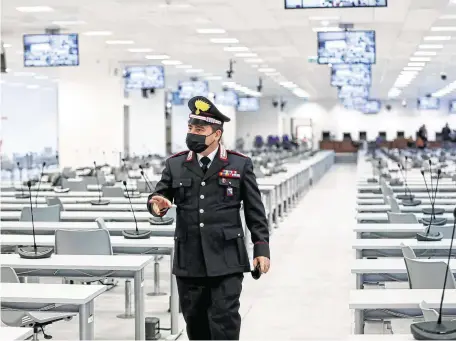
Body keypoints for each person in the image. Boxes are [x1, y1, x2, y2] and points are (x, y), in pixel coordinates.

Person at [147, 96, 270, 340]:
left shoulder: (239, 164)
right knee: (196, 325)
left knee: (224, 323)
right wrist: (155, 204)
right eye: (191, 128)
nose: (193, 133)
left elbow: (255, 210)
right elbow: (159, 196)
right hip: (189, 260)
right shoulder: (176, 165)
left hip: (226, 258)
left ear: (216, 134)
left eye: (199, 129)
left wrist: (261, 248)